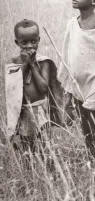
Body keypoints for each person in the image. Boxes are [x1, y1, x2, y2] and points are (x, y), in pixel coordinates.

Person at [58, 0, 95, 164]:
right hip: (77, 84)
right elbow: (67, 52)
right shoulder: (73, 24)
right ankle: (91, 158)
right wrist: (67, 84)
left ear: (94, 1)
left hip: (93, 85)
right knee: (85, 126)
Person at [5, 19, 63, 168]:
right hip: (24, 111)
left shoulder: (43, 62)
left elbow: (44, 88)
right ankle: (29, 171)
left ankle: (49, 170)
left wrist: (32, 64)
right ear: (17, 42)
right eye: (24, 42)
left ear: (39, 40)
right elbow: (15, 86)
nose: (29, 46)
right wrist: (24, 65)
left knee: (45, 143)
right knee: (26, 144)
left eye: (33, 41)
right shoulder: (14, 63)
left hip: (41, 109)